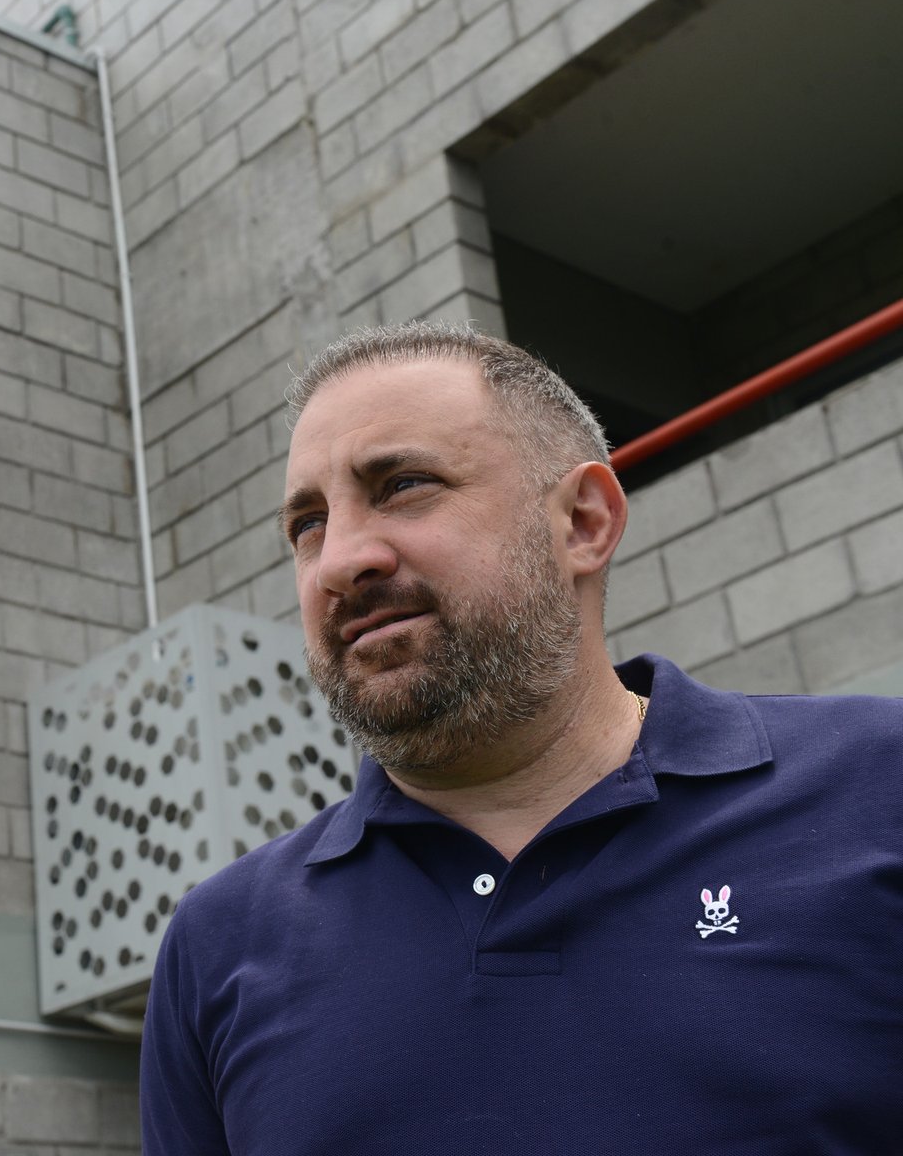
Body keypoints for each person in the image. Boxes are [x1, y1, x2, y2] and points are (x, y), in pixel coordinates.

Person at [139, 321, 903, 1154]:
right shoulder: (219, 943)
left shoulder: (877, 789)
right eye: (308, 525)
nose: (338, 562)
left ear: (582, 522)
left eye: (402, 485)